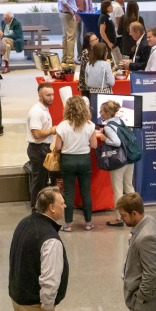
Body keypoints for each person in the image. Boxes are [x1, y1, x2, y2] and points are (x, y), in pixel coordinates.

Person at [54, 96, 97, 232]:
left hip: (68, 161)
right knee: (86, 192)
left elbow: (57, 147)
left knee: (68, 192)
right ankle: (88, 223)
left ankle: (68, 224)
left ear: (67, 109)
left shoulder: (62, 125)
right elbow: (94, 145)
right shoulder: (90, 125)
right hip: (84, 160)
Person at [98, 101, 135, 227]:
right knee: (129, 187)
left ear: (108, 113)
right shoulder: (120, 121)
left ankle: (120, 218)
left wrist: (105, 139)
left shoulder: (108, 126)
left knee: (118, 189)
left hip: (119, 161)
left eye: (101, 111)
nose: (100, 113)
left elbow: (117, 142)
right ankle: (135, 213)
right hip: (129, 158)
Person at [26, 83, 57, 208]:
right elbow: (37, 134)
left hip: (43, 148)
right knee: (38, 181)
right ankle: (36, 208)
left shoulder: (44, 109)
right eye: (48, 95)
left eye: (52, 94)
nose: (51, 97)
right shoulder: (36, 112)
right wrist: (52, 130)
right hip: (37, 149)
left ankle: (41, 207)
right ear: (40, 96)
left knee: (43, 180)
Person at [58, 0, 80, 64]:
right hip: (68, 15)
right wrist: (70, 10)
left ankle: (65, 58)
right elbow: (62, 0)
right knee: (71, 37)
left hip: (64, 14)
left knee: (66, 37)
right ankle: (70, 59)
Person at [77, 32, 99, 96]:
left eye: (96, 39)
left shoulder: (96, 49)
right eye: (93, 40)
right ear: (88, 43)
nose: (96, 41)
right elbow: (90, 68)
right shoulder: (86, 52)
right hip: (87, 84)